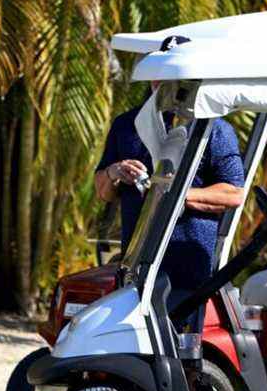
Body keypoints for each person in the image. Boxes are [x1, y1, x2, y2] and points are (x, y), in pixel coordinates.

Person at [94, 94, 245, 327]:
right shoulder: (126, 124)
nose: (161, 82)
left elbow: (234, 194)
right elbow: (103, 192)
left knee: (179, 351)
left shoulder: (213, 128)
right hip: (135, 267)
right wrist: (114, 172)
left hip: (187, 271)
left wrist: (175, 195)